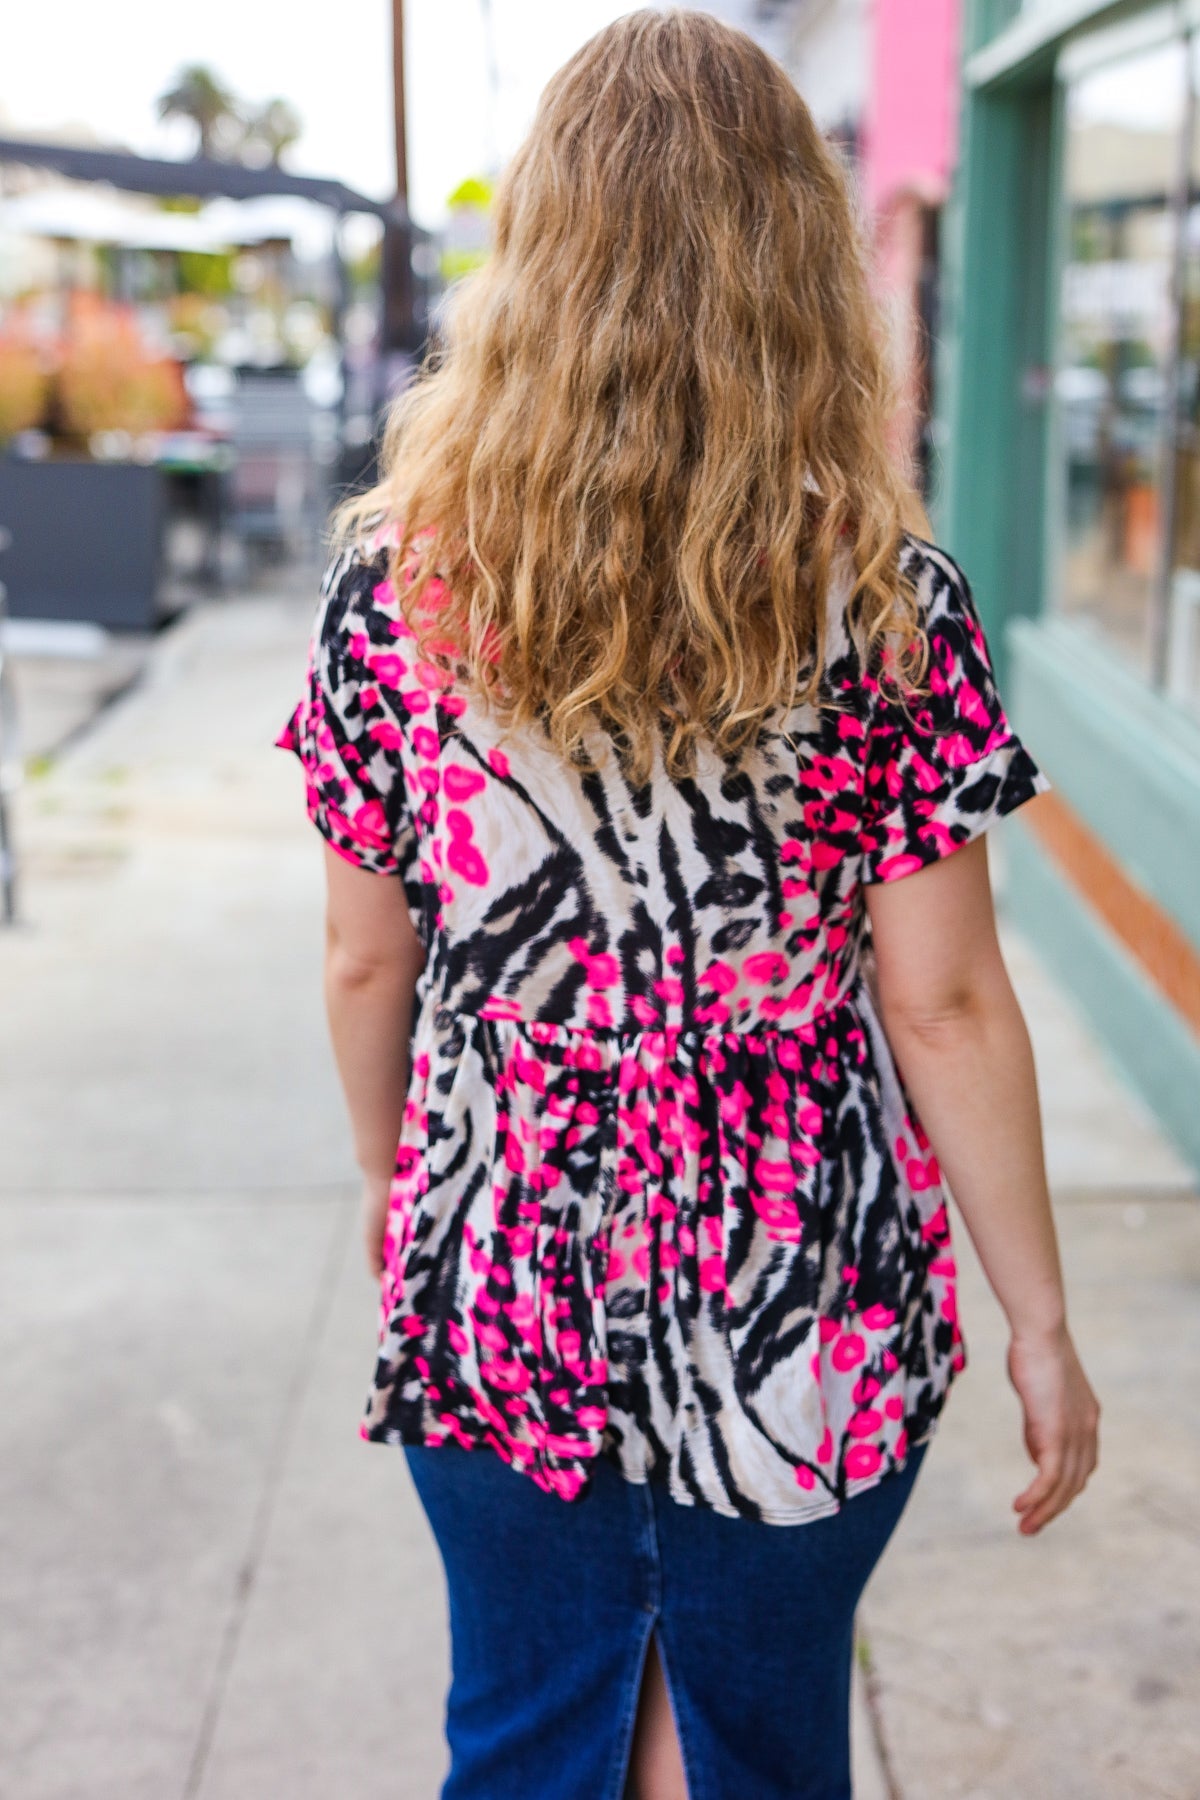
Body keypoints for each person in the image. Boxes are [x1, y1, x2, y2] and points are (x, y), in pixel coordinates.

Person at [276, 11, 1100, 1797]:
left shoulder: (393, 602)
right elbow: (945, 1005)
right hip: (806, 1305)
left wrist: (383, 1168)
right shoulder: (890, 609)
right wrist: (1039, 1321)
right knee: (761, 1747)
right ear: (798, 260)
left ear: (539, 259)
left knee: (523, 1736)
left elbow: (365, 958)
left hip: (505, 1277)